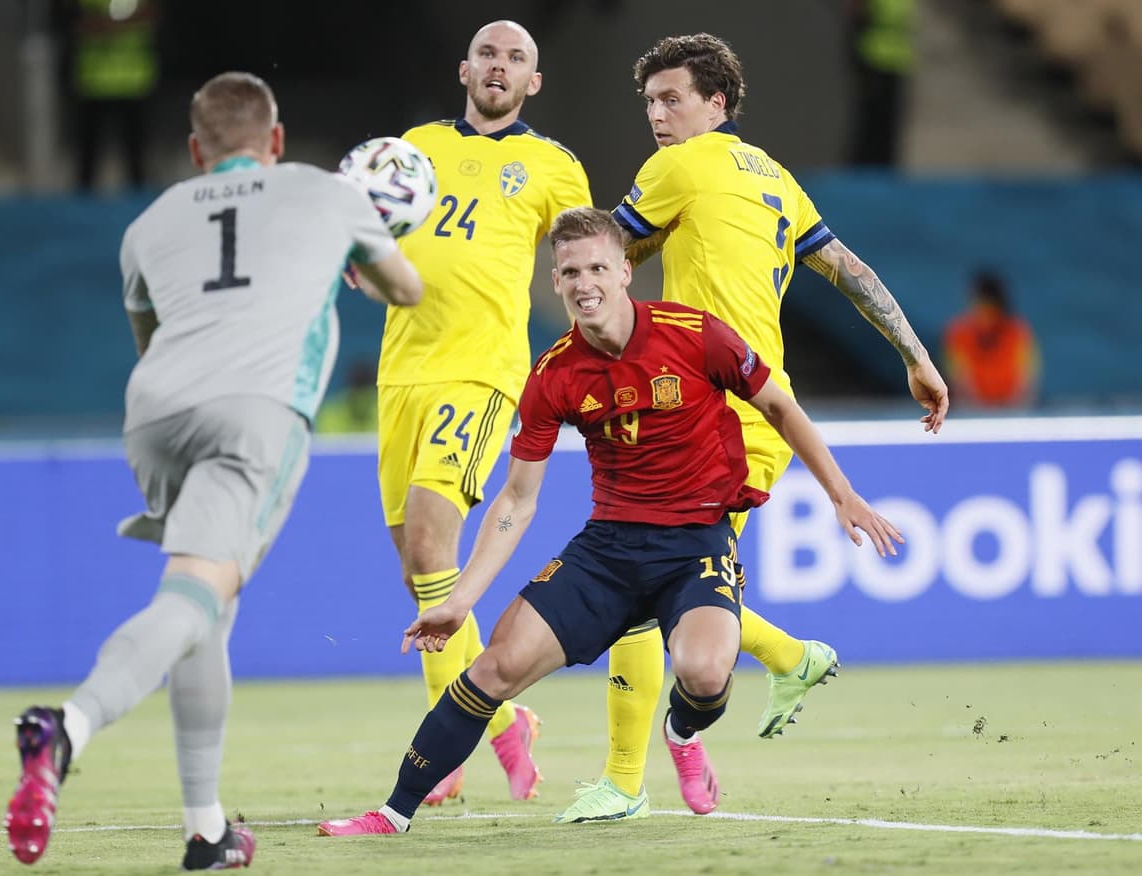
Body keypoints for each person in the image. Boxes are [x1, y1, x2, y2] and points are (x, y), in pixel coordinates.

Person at [317, 206, 904, 837]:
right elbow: (516, 499)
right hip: (608, 550)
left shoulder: (697, 333)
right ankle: (392, 813)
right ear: (556, 283)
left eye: (598, 266)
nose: (584, 281)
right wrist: (461, 600)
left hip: (695, 544)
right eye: (570, 271)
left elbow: (781, 408)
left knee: (705, 674)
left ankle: (680, 731)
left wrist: (842, 494)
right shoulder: (554, 375)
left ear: (627, 271)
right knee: (493, 669)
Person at [3, 71, 422, 869]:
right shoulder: (319, 192)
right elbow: (406, 289)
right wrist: (355, 249)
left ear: (196, 152)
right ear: (277, 142)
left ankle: (207, 831)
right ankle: (67, 727)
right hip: (254, 412)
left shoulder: (149, 221)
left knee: (207, 614)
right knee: (192, 598)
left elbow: (149, 331)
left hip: (154, 414)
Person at [554, 32, 950, 823]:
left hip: (707, 411)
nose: (657, 116)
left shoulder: (676, 169)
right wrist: (916, 354)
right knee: (669, 580)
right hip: (753, 408)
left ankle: (626, 780)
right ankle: (789, 658)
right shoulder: (773, 175)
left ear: (716, 104)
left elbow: (600, 258)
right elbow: (852, 272)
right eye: (649, 103)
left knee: (640, 581)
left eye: (672, 100)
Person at [369, 19, 592, 806]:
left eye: (517, 60)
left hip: (482, 373)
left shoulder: (552, 165)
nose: (500, 67)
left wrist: (594, 351)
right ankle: (503, 726)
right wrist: (363, 261)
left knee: (435, 545)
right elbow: (376, 237)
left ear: (534, 83)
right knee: (419, 572)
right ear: (465, 67)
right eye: (489, 54)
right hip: (402, 374)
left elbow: (585, 262)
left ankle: (443, 743)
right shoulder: (414, 145)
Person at [65, 0, 160, 191]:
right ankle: (82, 205)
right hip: (94, 82)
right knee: (88, 157)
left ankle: (138, 202)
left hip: (135, 81)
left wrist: (108, 26)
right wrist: (125, 24)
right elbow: (77, 23)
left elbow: (152, 15)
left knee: (136, 156)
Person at [943, 270, 1039, 408]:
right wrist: (976, 410)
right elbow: (958, 381)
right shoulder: (958, 334)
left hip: (1012, 412)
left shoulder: (1018, 332)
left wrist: (1014, 410)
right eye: (980, 306)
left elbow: (1027, 379)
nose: (984, 314)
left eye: (989, 307)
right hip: (971, 413)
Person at [843, 0, 916, 167]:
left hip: (898, 59)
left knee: (889, 124)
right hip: (874, 57)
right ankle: (863, 167)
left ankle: (883, 167)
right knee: (872, 122)